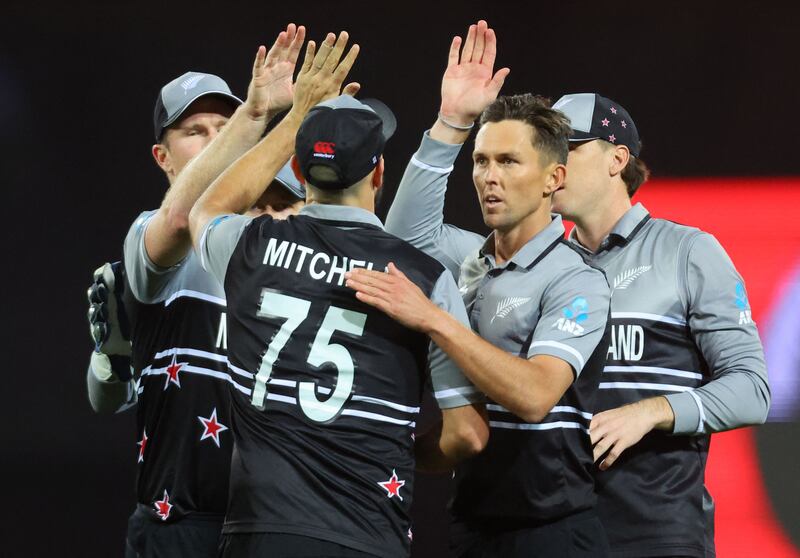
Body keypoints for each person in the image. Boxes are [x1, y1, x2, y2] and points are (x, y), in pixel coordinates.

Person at [188, 31, 489, 558]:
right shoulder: (423, 278)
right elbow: (466, 436)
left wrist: (295, 117)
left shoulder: (250, 246)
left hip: (258, 533)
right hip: (365, 534)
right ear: (378, 170)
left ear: (300, 171)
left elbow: (205, 209)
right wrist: (394, 446)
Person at [347, 20, 612, 558]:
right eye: (482, 161)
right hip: (470, 525)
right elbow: (404, 239)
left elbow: (535, 396)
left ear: (553, 179)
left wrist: (436, 319)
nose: (489, 176)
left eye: (509, 161)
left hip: (555, 532)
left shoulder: (578, 279)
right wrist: (451, 124)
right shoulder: (466, 257)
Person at [85, 24, 309, 558]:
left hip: (276, 522)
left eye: (224, 126)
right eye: (195, 131)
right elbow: (104, 398)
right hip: (182, 524)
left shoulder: (278, 237)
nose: (215, 140)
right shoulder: (154, 237)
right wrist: (112, 357)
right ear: (163, 157)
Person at [548, 92, 771, 557]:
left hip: (655, 533)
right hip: (553, 527)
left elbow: (752, 389)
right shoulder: (543, 265)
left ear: (617, 159)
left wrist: (651, 411)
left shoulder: (688, 251)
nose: (553, 166)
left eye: (569, 147)